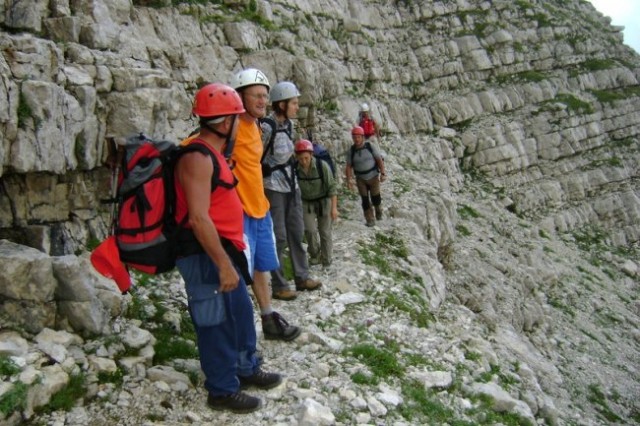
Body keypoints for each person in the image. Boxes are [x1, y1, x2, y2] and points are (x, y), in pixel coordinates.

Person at [174, 83, 281, 414]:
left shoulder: (213, 154)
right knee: (214, 321)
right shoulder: (196, 156)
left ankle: (245, 368)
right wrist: (221, 264)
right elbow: (198, 217)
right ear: (224, 123)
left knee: (237, 315)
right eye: (237, 117)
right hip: (206, 256)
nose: (243, 123)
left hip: (224, 253)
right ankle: (221, 389)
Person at [229, 68, 301, 341]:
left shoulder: (257, 126)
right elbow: (197, 148)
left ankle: (269, 317)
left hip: (260, 207)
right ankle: (240, 334)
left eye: (264, 96)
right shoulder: (229, 126)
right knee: (239, 273)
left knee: (262, 266)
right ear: (240, 96)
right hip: (241, 211)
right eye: (255, 95)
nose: (262, 101)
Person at [261, 81, 321, 300]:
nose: (297, 107)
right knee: (279, 236)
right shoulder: (266, 127)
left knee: (296, 231)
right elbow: (256, 155)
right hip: (273, 187)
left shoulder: (288, 125)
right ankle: (279, 284)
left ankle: (301, 276)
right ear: (282, 104)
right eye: (294, 102)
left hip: (290, 185)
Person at [294, 139, 338, 267]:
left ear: (311, 155)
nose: (304, 161)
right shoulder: (295, 169)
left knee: (325, 232)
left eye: (306, 158)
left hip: (324, 201)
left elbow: (332, 187)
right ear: (296, 157)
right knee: (310, 230)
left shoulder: (322, 166)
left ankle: (327, 258)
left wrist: (334, 208)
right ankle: (314, 254)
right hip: (306, 203)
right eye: (301, 159)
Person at [345, 126, 386, 227]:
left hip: (373, 176)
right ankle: (369, 219)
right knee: (365, 200)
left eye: (358, 137)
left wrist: (383, 173)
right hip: (360, 179)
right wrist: (349, 180)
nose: (356, 139)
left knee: (376, 197)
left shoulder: (370, 146)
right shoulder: (352, 151)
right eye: (354, 137)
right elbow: (348, 166)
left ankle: (378, 210)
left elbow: (379, 160)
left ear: (362, 137)